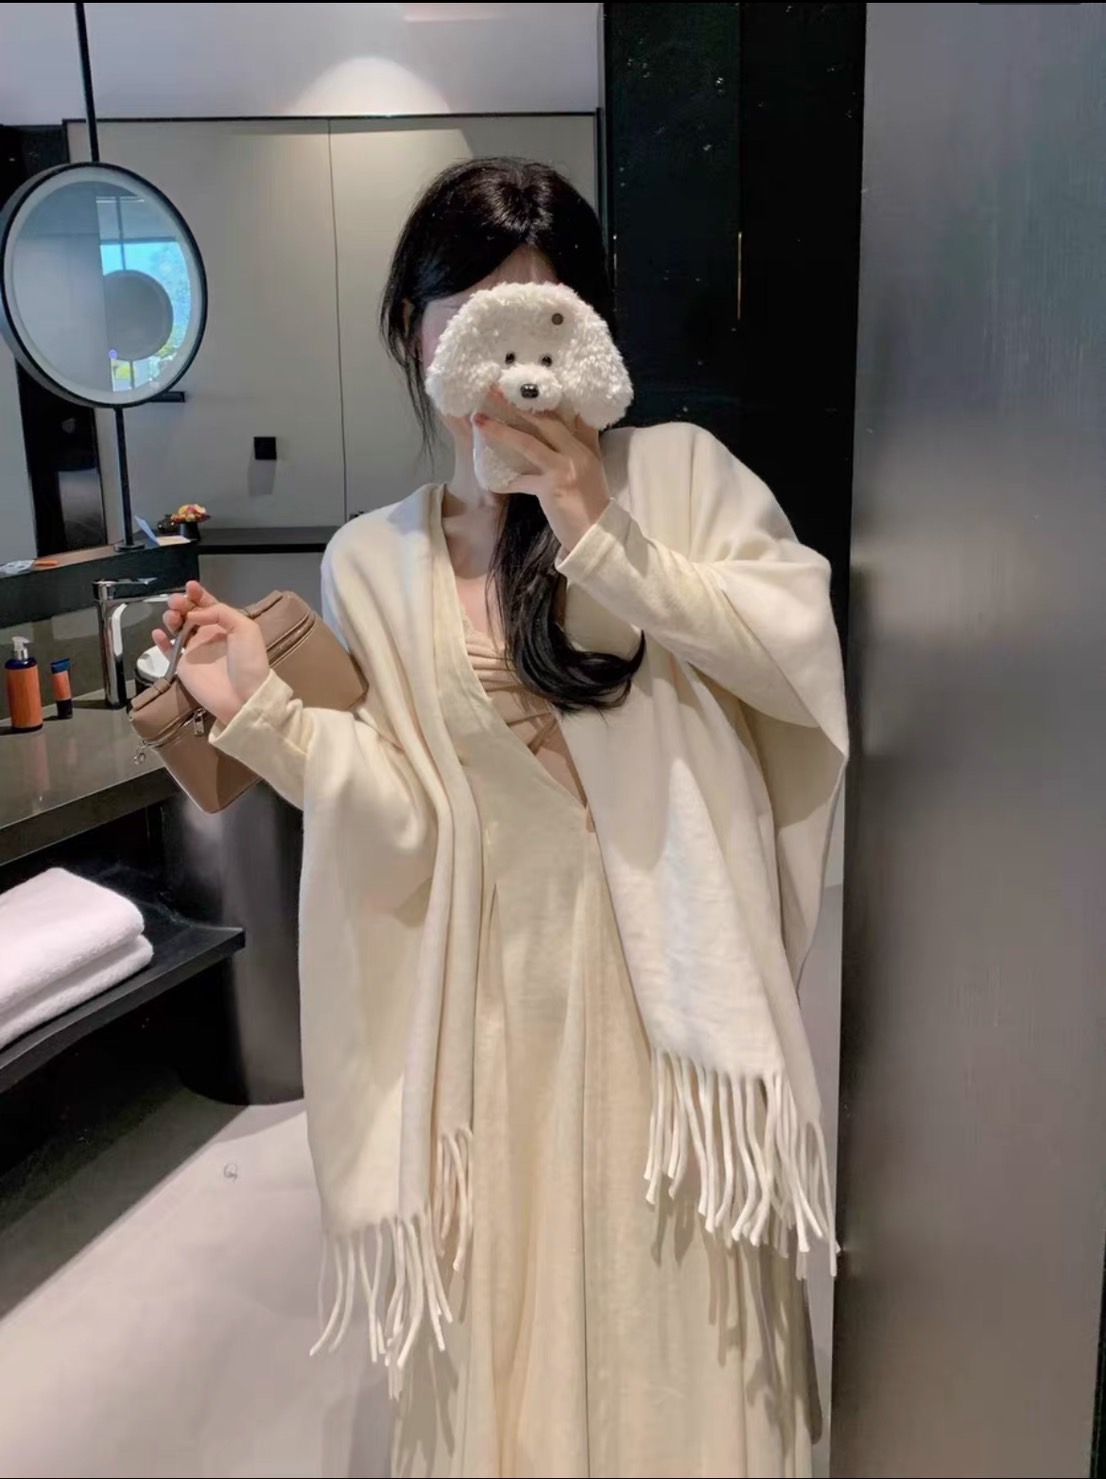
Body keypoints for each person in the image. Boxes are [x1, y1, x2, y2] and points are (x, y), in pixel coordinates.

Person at [154, 158, 848, 1479]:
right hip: (488, 1013)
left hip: (669, 1009)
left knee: (677, 1316)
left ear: (592, 335)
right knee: (512, 1323)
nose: (508, 349)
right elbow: (403, 828)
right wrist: (265, 713)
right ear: (412, 334)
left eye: (546, 310)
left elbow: (794, 658)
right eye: (469, 309)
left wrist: (594, 523)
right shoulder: (373, 559)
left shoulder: (679, 478)